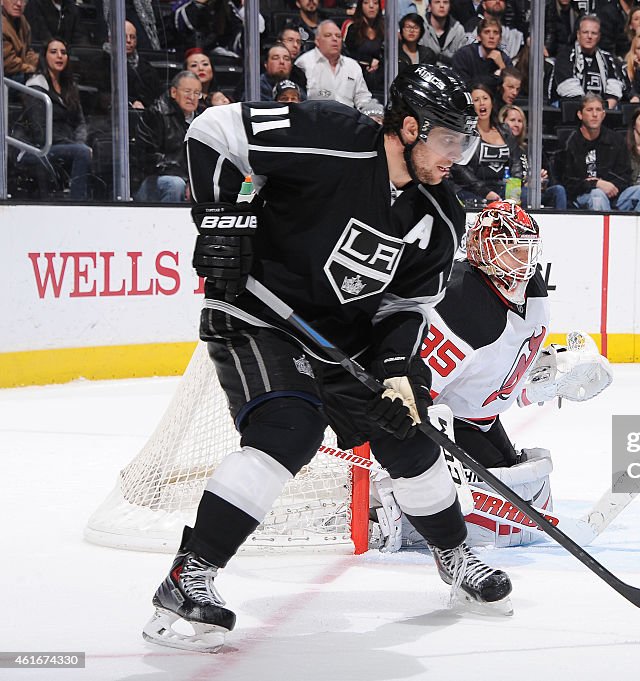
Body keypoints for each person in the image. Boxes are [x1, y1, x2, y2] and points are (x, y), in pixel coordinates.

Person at [142, 64, 512, 654]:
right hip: (258, 313)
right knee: (291, 429)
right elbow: (213, 128)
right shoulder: (331, 134)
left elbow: (405, 306)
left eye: (464, 142)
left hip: (349, 336)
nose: (456, 157)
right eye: (448, 140)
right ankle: (187, 578)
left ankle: (453, 555)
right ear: (410, 128)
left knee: (410, 433)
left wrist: (394, 374)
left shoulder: (440, 214)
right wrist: (219, 218)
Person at [370, 201, 612, 550]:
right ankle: (388, 508)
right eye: (511, 249)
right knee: (495, 502)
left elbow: (492, 376)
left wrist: (542, 382)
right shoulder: (462, 301)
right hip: (449, 420)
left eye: (527, 249)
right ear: (483, 249)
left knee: (520, 487)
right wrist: (441, 464)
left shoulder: (529, 287)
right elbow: (418, 395)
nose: (522, 260)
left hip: (478, 418)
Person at [18, 37, 93, 200]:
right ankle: (77, 203)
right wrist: (74, 146)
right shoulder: (35, 86)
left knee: (92, 151)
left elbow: (80, 122)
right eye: (54, 52)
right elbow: (40, 132)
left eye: (63, 52)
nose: (59, 56)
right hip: (39, 148)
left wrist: (79, 142)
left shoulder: (69, 87)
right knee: (82, 153)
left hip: (66, 145)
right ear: (45, 57)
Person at [563, 93, 640, 211]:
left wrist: (609, 186)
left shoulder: (615, 140)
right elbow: (568, 182)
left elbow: (625, 175)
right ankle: (604, 230)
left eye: (598, 110)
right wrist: (596, 184)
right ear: (580, 114)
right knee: (598, 196)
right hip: (583, 196)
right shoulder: (571, 142)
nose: (595, 114)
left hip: (614, 194)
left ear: (603, 114)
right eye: (590, 110)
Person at [135, 71, 201, 202]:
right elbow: (148, 159)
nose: (192, 97)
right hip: (154, 180)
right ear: (173, 92)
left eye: (196, 93)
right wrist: (187, 180)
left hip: (186, 179)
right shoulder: (156, 114)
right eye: (187, 91)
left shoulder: (203, 119)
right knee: (175, 185)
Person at [451, 83, 522, 205]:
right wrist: (485, 192)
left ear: (491, 102)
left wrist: (513, 193)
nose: (482, 103)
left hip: (504, 189)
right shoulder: (465, 133)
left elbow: (516, 163)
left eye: (485, 98)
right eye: (476, 100)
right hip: (473, 191)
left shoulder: (505, 130)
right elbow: (458, 166)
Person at [295, 20, 383, 117]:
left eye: (338, 36)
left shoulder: (352, 66)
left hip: (348, 123)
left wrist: (375, 112)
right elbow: (298, 101)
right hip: (315, 121)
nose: (334, 39)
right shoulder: (304, 63)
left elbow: (363, 99)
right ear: (317, 41)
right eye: (328, 35)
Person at [498, 104, 568, 208]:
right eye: (512, 120)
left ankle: (562, 223)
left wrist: (541, 179)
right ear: (503, 121)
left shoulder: (527, 149)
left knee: (559, 190)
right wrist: (525, 184)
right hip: (508, 192)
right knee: (526, 193)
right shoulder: (499, 146)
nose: (517, 124)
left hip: (531, 190)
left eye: (520, 121)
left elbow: (541, 178)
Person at [551, 14, 624, 110]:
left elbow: (615, 87)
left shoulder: (608, 58)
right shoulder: (565, 56)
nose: (589, 36)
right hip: (573, 110)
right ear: (578, 34)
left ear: (599, 36)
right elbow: (567, 87)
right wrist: (589, 110)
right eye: (585, 32)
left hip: (603, 112)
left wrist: (603, 110)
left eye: (594, 33)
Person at [451, 16, 511, 91]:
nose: (491, 36)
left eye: (495, 33)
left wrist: (502, 67)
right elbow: (463, 86)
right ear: (479, 37)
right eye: (487, 32)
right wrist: (495, 78)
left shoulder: (504, 59)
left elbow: (511, 88)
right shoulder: (463, 55)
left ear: (500, 38)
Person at [342, 0, 385, 92]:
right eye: (366, 3)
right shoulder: (351, 26)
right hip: (353, 77)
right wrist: (368, 61)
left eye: (375, 3)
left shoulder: (384, 27)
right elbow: (345, 53)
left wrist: (378, 63)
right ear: (360, 6)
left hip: (377, 79)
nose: (371, 6)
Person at [420, 0, 468, 64]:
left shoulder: (458, 30)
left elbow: (462, 60)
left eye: (445, 2)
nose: (442, 6)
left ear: (450, 6)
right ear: (430, 6)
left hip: (451, 72)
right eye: (437, 2)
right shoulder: (420, 27)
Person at [2, 0, 40, 82]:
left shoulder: (22, 20)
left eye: (23, 1)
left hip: (20, 70)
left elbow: (27, 52)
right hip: (7, 77)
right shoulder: (2, 25)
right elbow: (8, 64)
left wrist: (43, 62)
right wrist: (31, 68)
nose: (19, 4)